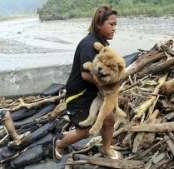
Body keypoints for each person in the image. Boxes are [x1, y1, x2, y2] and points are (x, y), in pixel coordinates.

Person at [54, 5, 121, 160]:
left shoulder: (102, 42)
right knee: (86, 129)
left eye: (115, 24)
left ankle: (105, 148)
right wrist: (109, 85)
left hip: (93, 92)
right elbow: (85, 74)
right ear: (99, 24)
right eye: (111, 24)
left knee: (109, 119)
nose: (114, 28)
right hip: (80, 94)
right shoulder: (88, 44)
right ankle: (59, 144)